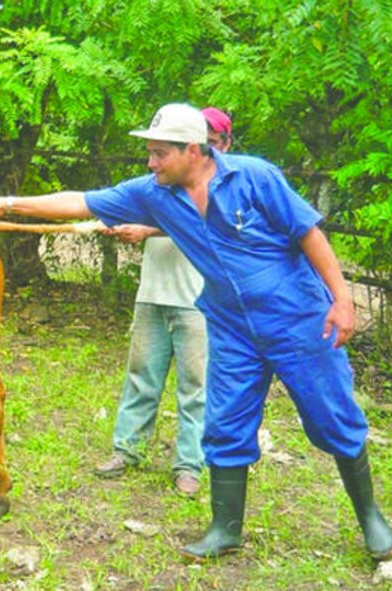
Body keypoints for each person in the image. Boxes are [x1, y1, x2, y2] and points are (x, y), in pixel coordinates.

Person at [0, 103, 392, 562]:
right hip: (232, 328)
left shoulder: (254, 177)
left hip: (298, 319)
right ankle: (224, 529)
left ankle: (370, 517)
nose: (151, 163)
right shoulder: (155, 194)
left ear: (193, 150)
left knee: (331, 414)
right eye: (149, 154)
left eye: (159, 154)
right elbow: (81, 200)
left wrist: (341, 299)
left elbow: (308, 233)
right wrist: (8, 203)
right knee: (226, 421)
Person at [93, 107, 233, 498]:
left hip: (196, 298)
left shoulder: (221, 187)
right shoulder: (156, 188)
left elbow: (203, 228)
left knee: (195, 385)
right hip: (153, 292)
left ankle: (189, 464)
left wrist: (148, 230)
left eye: (216, 141)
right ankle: (128, 449)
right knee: (141, 374)